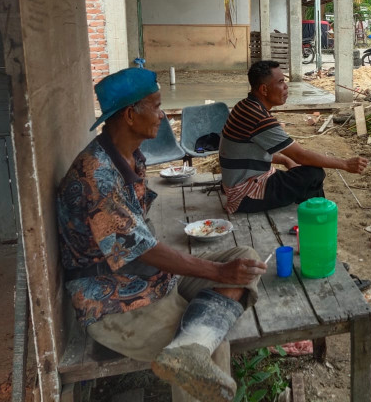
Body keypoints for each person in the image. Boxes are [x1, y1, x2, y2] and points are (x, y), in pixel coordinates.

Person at [56, 68, 265, 401]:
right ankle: (190, 350)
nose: (163, 115)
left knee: (245, 259)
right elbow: (142, 251)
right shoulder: (97, 176)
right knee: (208, 344)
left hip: (153, 279)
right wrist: (217, 272)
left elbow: (145, 248)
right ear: (129, 115)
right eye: (155, 106)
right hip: (115, 301)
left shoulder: (131, 157)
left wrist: (222, 270)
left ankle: (191, 345)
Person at [220, 60, 368, 214]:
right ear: (264, 89)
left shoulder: (244, 106)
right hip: (245, 194)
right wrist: (345, 164)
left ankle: (311, 209)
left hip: (238, 186)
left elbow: (249, 154)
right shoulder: (259, 118)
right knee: (313, 174)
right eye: (281, 82)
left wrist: (284, 160)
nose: (286, 87)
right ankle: (315, 215)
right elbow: (300, 156)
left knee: (304, 175)